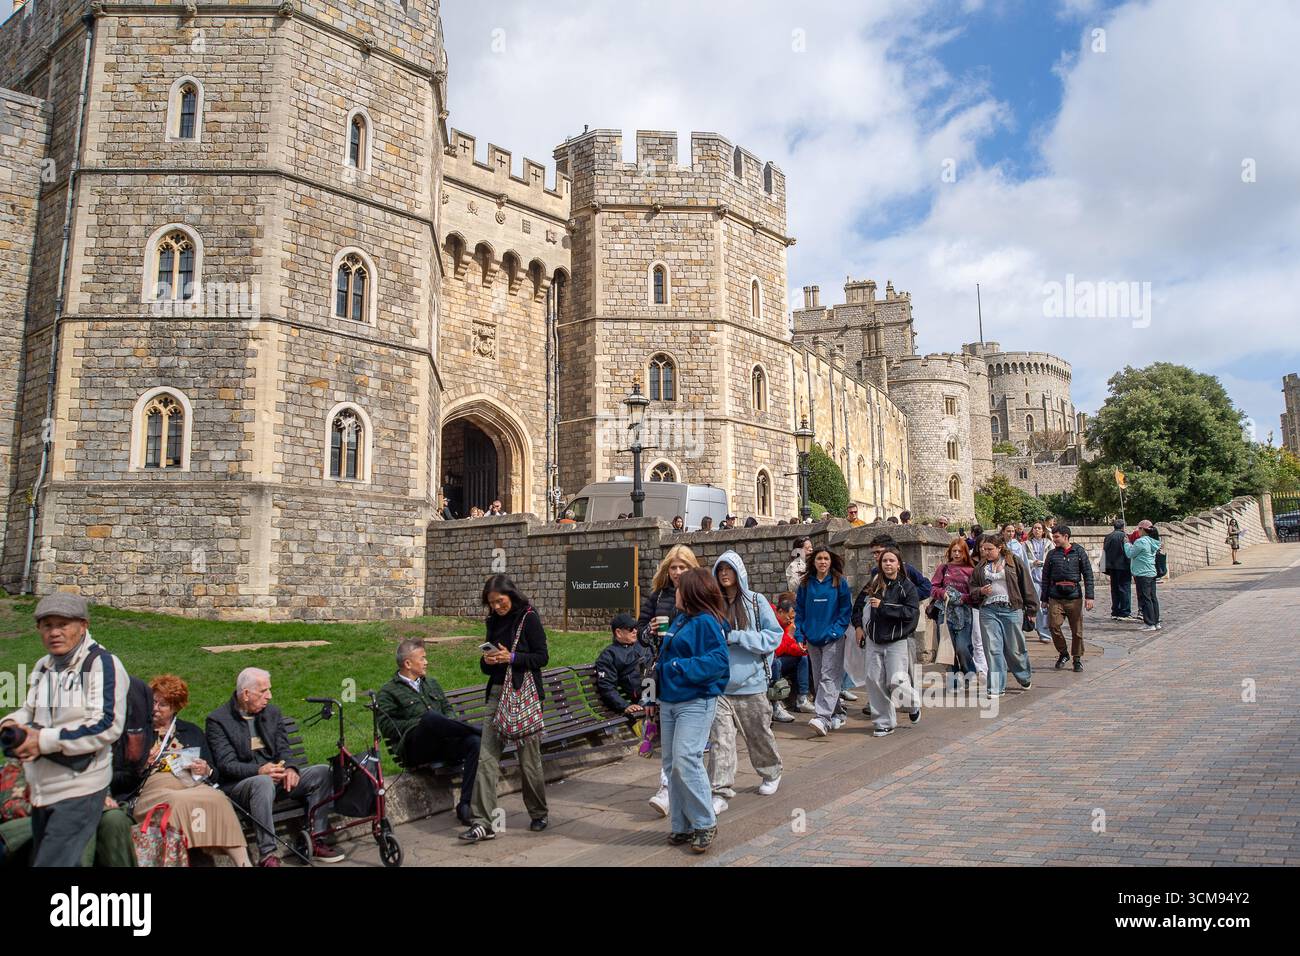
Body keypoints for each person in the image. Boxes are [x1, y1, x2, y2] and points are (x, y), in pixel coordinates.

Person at [0, 594, 129, 867]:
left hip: (80, 787)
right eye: (47, 625)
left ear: (83, 625)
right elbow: (30, 711)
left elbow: (107, 725)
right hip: (42, 788)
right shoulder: (43, 666)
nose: (54, 632)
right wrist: (10, 723)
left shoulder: (102, 664)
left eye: (63, 624)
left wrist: (42, 740)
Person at [206, 667, 341, 865]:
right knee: (262, 783)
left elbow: (284, 749)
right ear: (245, 694)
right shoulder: (218, 720)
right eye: (263, 691)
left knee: (321, 772)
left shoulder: (272, 712)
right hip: (243, 785)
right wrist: (259, 770)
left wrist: (290, 769)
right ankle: (268, 855)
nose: (269, 696)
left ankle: (316, 840)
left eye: (269, 690)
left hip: (276, 779)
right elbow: (227, 765)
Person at [460, 574, 550, 843]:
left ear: (511, 595)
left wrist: (511, 657)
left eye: (500, 602)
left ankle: (538, 812)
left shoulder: (528, 617)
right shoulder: (493, 621)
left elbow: (542, 657)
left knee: (528, 761)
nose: (497, 607)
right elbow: (486, 667)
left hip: (523, 694)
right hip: (497, 694)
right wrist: (489, 659)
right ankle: (483, 822)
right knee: (486, 759)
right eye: (492, 604)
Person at [127, 675, 251, 866]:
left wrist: (206, 769)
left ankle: (243, 863)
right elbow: (120, 774)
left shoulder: (191, 731)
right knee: (177, 801)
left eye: (163, 705)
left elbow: (214, 773)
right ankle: (176, 860)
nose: (154, 708)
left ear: (175, 707)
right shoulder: (138, 732)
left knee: (219, 798)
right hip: (153, 789)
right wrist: (141, 766)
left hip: (190, 784)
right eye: (153, 702)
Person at [656, 567, 731, 854]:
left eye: (678, 588)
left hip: (695, 701)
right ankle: (682, 824)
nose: (674, 591)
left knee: (687, 758)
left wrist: (677, 667)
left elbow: (718, 663)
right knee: (672, 764)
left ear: (691, 593)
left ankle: (704, 821)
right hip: (670, 700)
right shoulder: (681, 619)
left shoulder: (706, 622)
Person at [376, 639, 481, 827]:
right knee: (430, 718)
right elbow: (387, 726)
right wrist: (422, 722)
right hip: (416, 748)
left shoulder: (431, 684)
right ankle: (479, 730)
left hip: (443, 742)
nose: (426, 662)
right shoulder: (388, 692)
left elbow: (448, 710)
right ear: (408, 663)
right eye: (422, 658)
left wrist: (445, 723)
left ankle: (465, 804)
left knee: (474, 742)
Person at [708, 552, 783, 812]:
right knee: (721, 741)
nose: (724, 574)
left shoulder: (755, 602)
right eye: (720, 570)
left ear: (739, 572)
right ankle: (720, 790)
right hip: (720, 687)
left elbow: (774, 637)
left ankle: (771, 772)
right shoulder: (712, 605)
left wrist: (739, 637)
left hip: (752, 684)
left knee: (758, 735)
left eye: (729, 569)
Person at [637, 545, 701, 816]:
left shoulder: (699, 596)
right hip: (661, 672)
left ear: (691, 568)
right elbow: (639, 633)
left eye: (682, 567)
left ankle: (693, 791)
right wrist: (648, 631)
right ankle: (666, 789)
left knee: (687, 745)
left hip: (689, 674)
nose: (677, 572)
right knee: (664, 733)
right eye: (673, 567)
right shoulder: (657, 596)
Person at [858, 546, 922, 736]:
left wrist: (885, 607)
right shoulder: (874, 584)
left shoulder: (907, 587)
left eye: (891, 560)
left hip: (896, 641)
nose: (887, 564)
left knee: (897, 680)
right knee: (874, 681)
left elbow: (911, 613)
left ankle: (912, 705)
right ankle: (883, 722)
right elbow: (859, 606)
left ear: (899, 564)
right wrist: (859, 627)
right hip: (875, 640)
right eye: (884, 561)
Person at [969, 534, 1039, 697]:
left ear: (999, 548)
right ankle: (995, 687)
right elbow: (972, 586)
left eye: (989, 549)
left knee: (1014, 649)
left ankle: (1023, 676)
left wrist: (1032, 610)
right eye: (983, 549)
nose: (985, 552)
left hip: (1011, 609)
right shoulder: (980, 567)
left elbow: (1027, 585)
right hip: (988, 610)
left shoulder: (1013, 562)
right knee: (993, 649)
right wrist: (980, 591)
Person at [796, 547, 853, 736]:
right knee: (820, 677)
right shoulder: (805, 584)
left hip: (833, 638)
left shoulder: (839, 582)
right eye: (819, 558)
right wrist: (800, 634)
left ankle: (822, 717)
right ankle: (837, 712)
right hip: (812, 638)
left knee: (829, 676)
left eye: (826, 558)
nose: (822, 562)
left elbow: (846, 611)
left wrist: (836, 631)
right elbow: (800, 611)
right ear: (813, 562)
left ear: (831, 561)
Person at [1040, 523, 1095, 673]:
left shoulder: (1078, 552)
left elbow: (1088, 574)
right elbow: (1045, 577)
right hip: (1055, 596)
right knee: (1053, 626)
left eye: (1056, 537)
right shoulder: (1052, 554)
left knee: (1077, 630)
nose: (1054, 540)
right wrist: (1044, 598)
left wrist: (1090, 596)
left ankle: (1077, 658)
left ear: (1066, 536)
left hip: (1073, 596)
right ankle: (1063, 653)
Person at [930, 537, 978, 688]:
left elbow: (975, 593)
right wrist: (942, 593)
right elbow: (933, 587)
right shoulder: (943, 568)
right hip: (945, 612)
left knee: (962, 647)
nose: (956, 554)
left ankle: (969, 672)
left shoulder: (971, 570)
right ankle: (954, 681)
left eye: (960, 551)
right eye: (954, 551)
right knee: (947, 649)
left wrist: (963, 598)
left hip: (964, 612)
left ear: (965, 553)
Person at [594, 613, 654, 723]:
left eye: (636, 628)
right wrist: (625, 706)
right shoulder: (609, 655)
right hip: (646, 696)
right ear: (618, 633)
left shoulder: (642, 646)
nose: (635, 631)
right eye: (631, 629)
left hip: (656, 690)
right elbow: (607, 686)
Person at [771, 592, 811, 716]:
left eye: (792, 618)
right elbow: (776, 649)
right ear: (780, 612)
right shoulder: (772, 622)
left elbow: (789, 647)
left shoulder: (786, 625)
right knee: (775, 663)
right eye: (789, 617)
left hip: (781, 657)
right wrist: (789, 636)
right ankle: (776, 703)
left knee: (803, 658)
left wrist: (801, 649)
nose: (790, 621)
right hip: (771, 659)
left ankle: (802, 698)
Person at [1125, 523, 1162, 631]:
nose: (1138, 531)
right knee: (1152, 597)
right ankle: (1156, 621)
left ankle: (1149, 623)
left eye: (1139, 529)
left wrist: (1127, 544)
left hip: (1142, 572)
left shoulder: (1141, 541)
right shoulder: (1153, 541)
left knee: (1145, 598)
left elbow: (1130, 553)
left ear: (1143, 530)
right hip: (1151, 572)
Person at [1025, 521, 1053, 641]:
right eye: (1035, 528)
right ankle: (1043, 632)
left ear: (1043, 530)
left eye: (1039, 528)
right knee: (1039, 606)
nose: (1037, 530)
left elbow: (1052, 557)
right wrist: (1032, 563)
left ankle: (1047, 629)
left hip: (1046, 578)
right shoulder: (1027, 544)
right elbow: (1024, 559)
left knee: (1047, 606)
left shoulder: (1049, 543)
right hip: (1034, 577)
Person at [1103, 519, 1134, 621]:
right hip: (1123, 566)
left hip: (1112, 566)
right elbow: (1128, 551)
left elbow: (1104, 551)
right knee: (1124, 589)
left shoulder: (1108, 537)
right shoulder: (1124, 536)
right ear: (1123, 526)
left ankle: (1115, 611)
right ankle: (1124, 612)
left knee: (1115, 589)